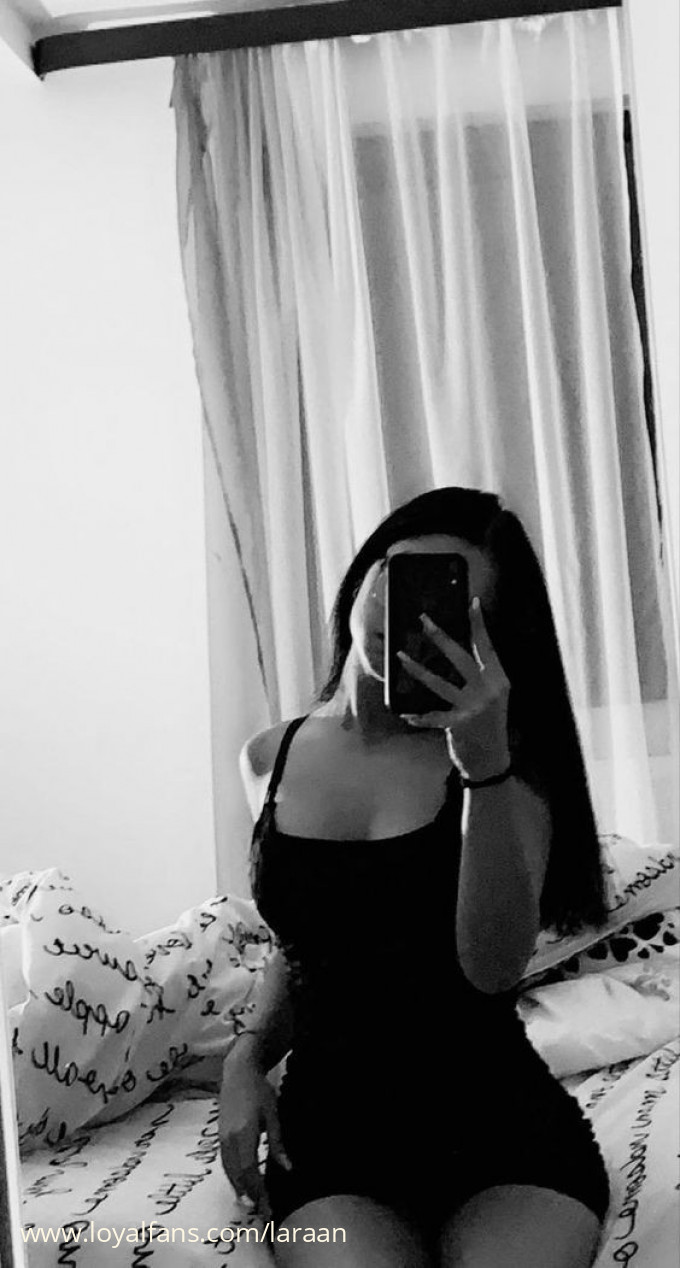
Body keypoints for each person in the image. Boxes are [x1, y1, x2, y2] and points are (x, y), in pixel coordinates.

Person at [219, 487, 612, 1267]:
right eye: (393, 576)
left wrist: (484, 767)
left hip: (503, 1137)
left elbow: (493, 969)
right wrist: (245, 1058)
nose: (402, 612)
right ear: (363, 573)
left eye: (443, 602)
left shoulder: (511, 771)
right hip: (332, 1141)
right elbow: (305, 944)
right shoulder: (269, 758)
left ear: (483, 637)